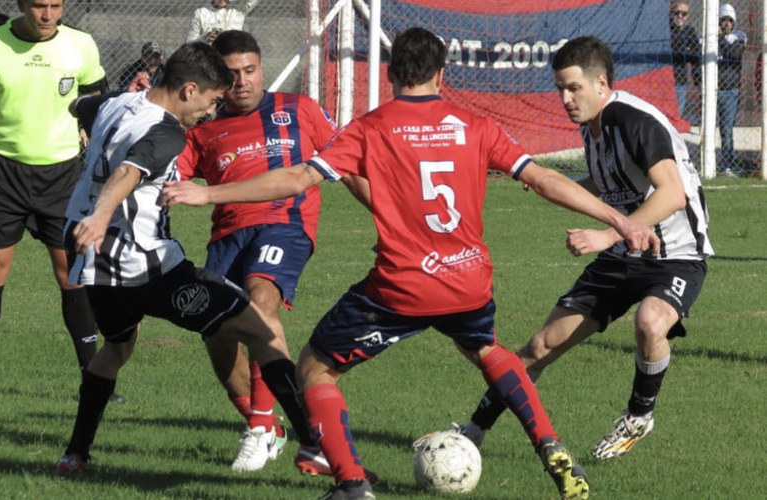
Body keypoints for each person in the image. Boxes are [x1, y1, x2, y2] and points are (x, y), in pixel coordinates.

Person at [163, 27, 662, 500]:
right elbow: (546, 180)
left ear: (390, 74)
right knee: (488, 352)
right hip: (468, 280)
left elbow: (294, 179)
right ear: (441, 76)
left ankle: (352, 483)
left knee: (314, 369)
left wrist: (210, 194)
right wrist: (618, 220)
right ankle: (550, 445)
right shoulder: (477, 125)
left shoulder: (370, 129)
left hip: (401, 287)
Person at [438, 35, 713, 464]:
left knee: (650, 322)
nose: (565, 99)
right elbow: (608, 183)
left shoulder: (631, 119)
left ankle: (639, 415)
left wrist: (606, 235)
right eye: (560, 89)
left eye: (573, 88)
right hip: (623, 255)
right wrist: (552, 184)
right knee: (541, 347)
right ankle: (472, 432)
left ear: (601, 83)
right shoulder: (594, 126)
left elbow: (673, 193)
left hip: (673, 255)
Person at [52, 42, 317, 476]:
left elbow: (80, 106)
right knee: (261, 329)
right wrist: (101, 215)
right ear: (189, 89)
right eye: (212, 100)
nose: (211, 113)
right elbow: (128, 173)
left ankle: (75, 454)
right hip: (145, 266)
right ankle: (312, 445)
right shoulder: (168, 131)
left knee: (118, 346)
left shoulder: (118, 102)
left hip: (93, 264)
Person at [177, 30, 358, 474]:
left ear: (261, 68)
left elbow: (347, 163)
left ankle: (259, 426)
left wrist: (391, 218)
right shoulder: (202, 128)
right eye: (232, 74)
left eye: (250, 71)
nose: (243, 81)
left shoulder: (299, 110)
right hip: (227, 236)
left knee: (261, 301)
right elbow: (170, 176)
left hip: (285, 224)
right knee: (217, 337)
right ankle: (267, 425)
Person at [0, 0, 125, 400]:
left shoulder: (81, 45)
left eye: (56, 5)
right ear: (21, 5)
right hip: (3, 170)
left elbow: (95, 103)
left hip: (62, 175)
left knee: (71, 271)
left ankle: (93, 375)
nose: (48, 14)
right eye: (39, 5)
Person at [717, 3, 747, 176]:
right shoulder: (710, 38)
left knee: (727, 129)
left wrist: (720, 39)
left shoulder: (739, 37)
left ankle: (727, 164)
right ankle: (708, 163)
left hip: (730, 90)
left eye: (729, 20)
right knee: (708, 128)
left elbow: (733, 55)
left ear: (734, 22)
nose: (726, 23)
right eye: (723, 20)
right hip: (712, 89)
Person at [669, 1, 700, 118]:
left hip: (680, 80)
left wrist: (682, 50)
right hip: (665, 79)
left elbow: (696, 55)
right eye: (677, 13)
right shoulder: (666, 29)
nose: (680, 16)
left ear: (688, 16)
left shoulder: (689, 31)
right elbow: (669, 51)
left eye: (684, 13)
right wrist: (685, 49)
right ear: (672, 13)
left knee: (677, 116)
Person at [185, 0, 259, 44]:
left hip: (232, 54)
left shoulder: (238, 9)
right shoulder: (200, 13)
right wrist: (205, 38)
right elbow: (189, 42)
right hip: (210, 57)